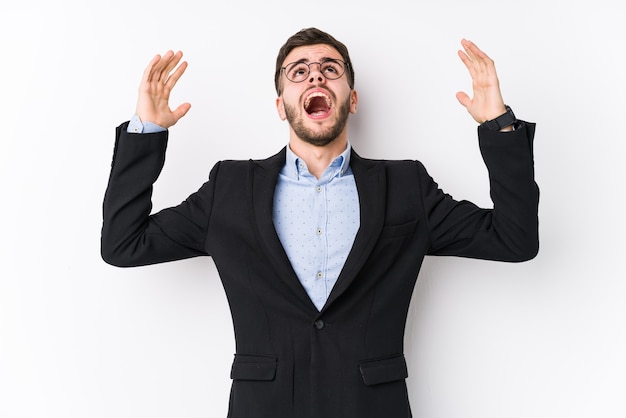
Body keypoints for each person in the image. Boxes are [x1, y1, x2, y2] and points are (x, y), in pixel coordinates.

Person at [101, 27, 538, 418]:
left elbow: (514, 239)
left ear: (352, 98)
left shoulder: (405, 185)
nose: (315, 77)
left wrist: (498, 126)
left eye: (331, 69)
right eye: (298, 72)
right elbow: (124, 244)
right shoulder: (229, 188)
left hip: (373, 406)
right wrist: (148, 133)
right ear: (280, 105)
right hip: (263, 407)